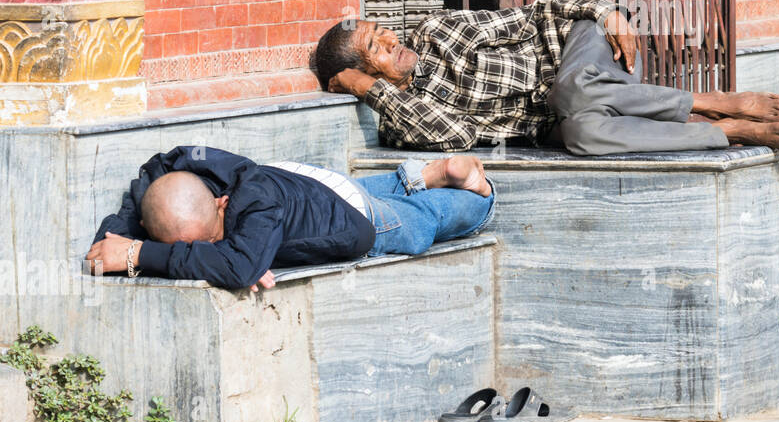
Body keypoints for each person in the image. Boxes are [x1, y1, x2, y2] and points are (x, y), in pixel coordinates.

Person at [314, 0, 779, 156]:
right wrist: (371, 91)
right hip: (558, 114)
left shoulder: (438, 31)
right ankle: (721, 130)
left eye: (384, 31)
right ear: (363, 75)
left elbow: (534, 14)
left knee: (571, 91)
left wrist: (603, 10)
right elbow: (459, 136)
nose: (393, 41)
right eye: (376, 49)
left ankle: (706, 101)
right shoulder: (404, 118)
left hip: (576, 51)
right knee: (583, 133)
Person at [84, 146, 494, 292]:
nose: (207, 251)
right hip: (313, 185)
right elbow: (133, 209)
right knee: (359, 190)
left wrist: (139, 254)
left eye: (212, 239)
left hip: (356, 222)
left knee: (420, 223)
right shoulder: (178, 172)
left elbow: (239, 266)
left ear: (223, 203)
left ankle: (480, 191)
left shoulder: (256, 207)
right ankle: (421, 175)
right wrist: (114, 240)